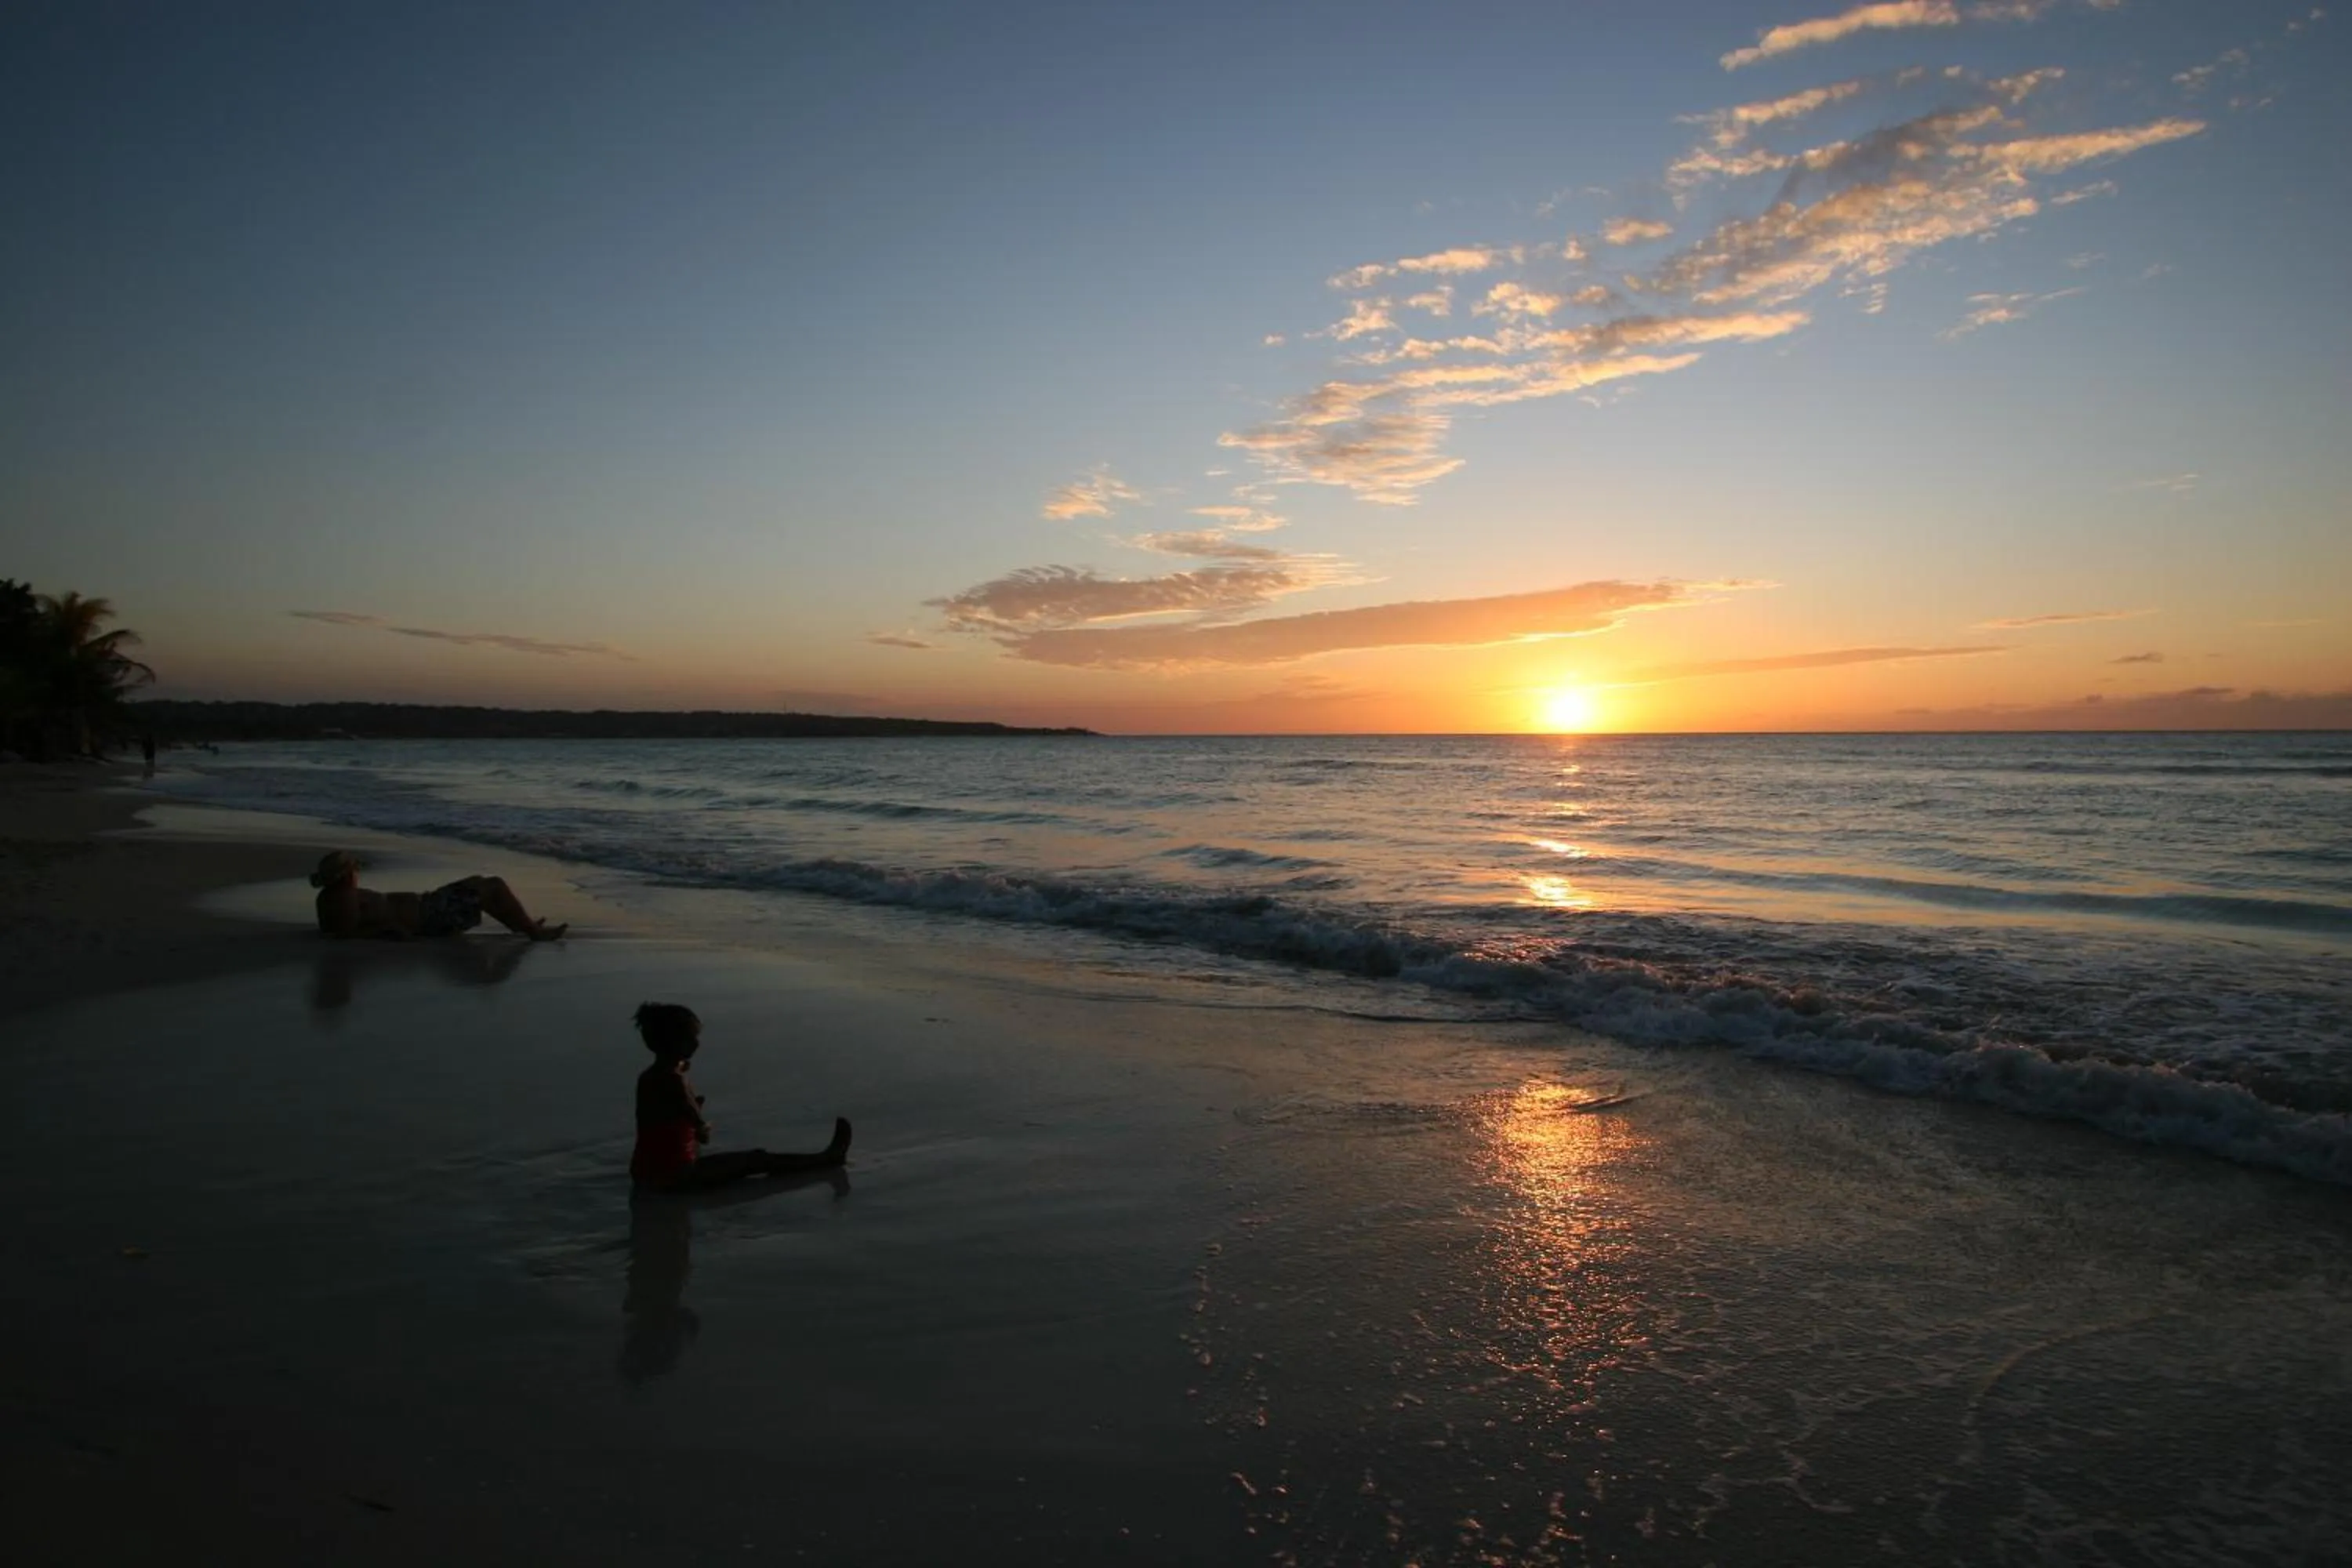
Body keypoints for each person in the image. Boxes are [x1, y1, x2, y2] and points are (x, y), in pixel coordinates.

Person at [630, 1001, 851, 1191]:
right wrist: (701, 1124)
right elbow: (696, 1124)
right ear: (673, 1043)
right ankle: (826, 1159)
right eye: (690, 1038)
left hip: (645, 1174)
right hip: (677, 1176)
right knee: (756, 1160)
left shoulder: (650, 1077)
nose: (697, 1043)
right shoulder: (673, 1080)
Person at [308, 849, 568, 942]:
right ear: (346, 875)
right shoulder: (344, 899)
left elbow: (332, 928)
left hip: (429, 906)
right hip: (430, 918)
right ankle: (533, 932)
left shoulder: (333, 897)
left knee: (479, 883)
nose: (357, 874)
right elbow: (344, 932)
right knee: (493, 886)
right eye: (353, 870)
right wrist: (389, 931)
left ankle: (522, 925)